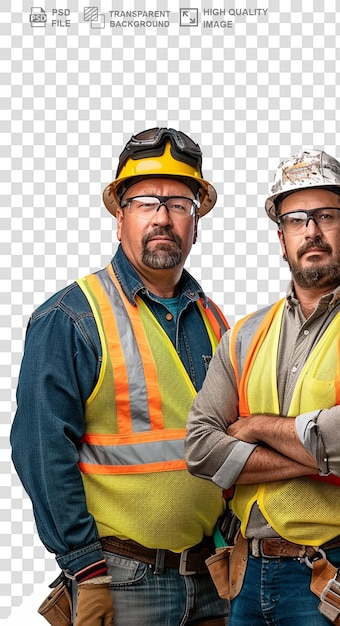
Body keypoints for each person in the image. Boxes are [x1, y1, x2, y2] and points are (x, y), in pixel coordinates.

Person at [186, 149, 340, 626]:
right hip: (244, 574)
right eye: (296, 219)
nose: (311, 230)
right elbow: (200, 449)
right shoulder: (245, 335)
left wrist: (252, 426)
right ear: (281, 237)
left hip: (332, 573)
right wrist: (317, 455)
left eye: (326, 216)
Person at [11, 128, 231, 626]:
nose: (162, 217)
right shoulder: (71, 317)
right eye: (145, 202)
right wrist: (84, 569)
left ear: (196, 223)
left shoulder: (216, 322)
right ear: (119, 217)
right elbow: (40, 449)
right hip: (122, 579)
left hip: (210, 575)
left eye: (179, 203)